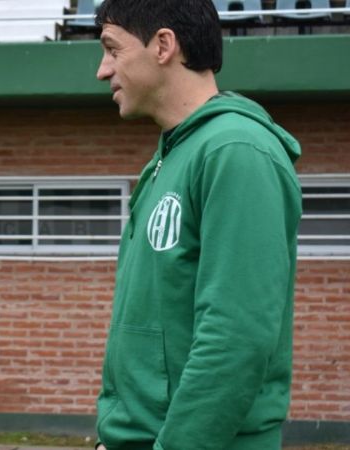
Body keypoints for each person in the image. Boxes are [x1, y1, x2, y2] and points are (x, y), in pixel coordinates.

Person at [92, 1, 302, 449]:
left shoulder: (237, 151)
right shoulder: (169, 158)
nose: (102, 69)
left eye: (112, 49)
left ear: (163, 45)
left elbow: (235, 337)